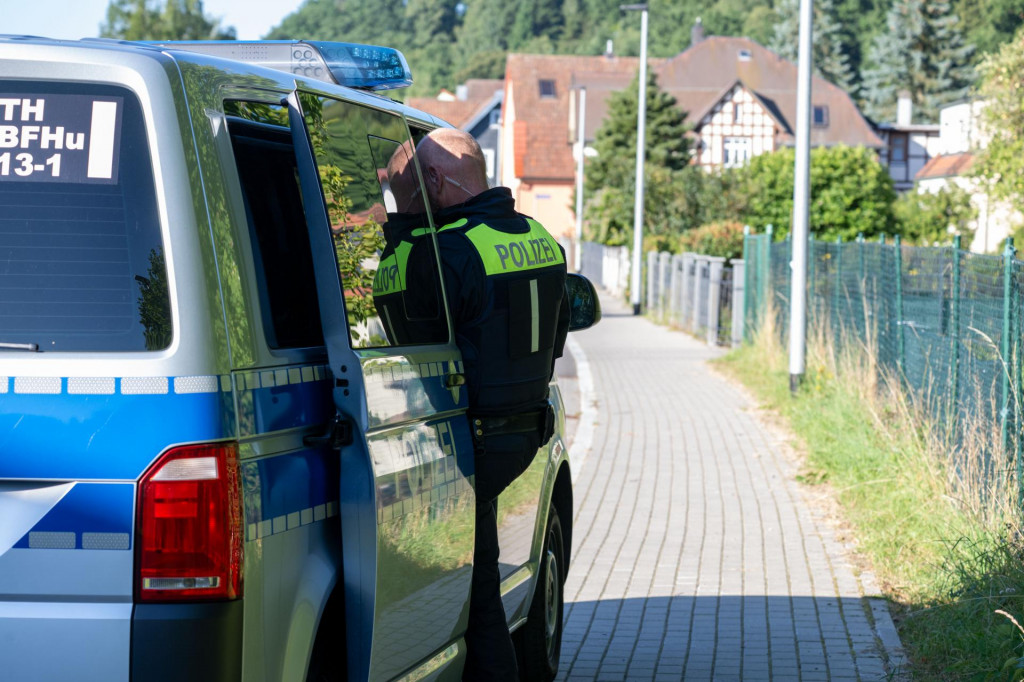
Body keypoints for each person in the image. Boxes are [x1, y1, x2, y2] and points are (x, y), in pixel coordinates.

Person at [415, 128, 570, 681]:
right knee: (483, 589)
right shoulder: (545, 239)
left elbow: (418, 357)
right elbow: (556, 345)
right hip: (526, 433)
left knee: (480, 598)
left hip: (470, 443)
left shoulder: (448, 251)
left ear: (435, 179)